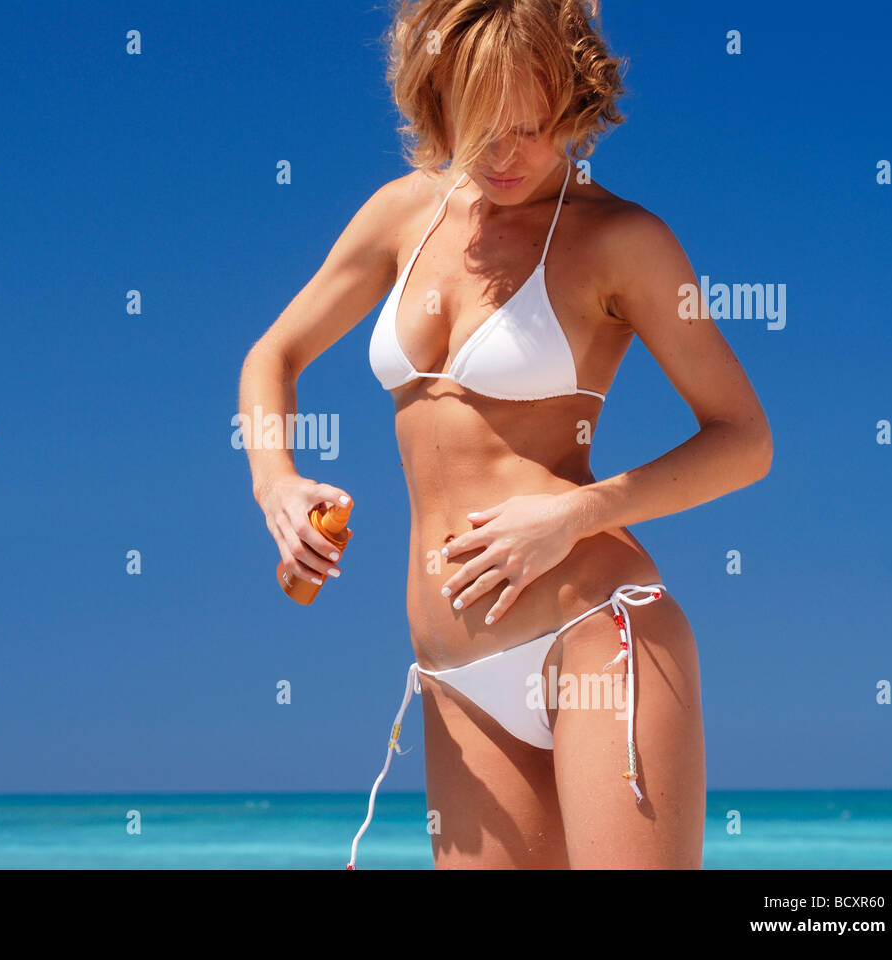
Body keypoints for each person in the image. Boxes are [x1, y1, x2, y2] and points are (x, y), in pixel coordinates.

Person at [238, 0, 772, 868]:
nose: (502, 155)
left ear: (572, 100)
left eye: (529, 127)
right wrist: (277, 481)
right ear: (434, 100)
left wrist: (574, 517)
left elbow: (744, 439)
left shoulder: (622, 241)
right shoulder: (403, 214)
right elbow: (275, 354)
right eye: (474, 123)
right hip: (456, 675)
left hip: (596, 626)